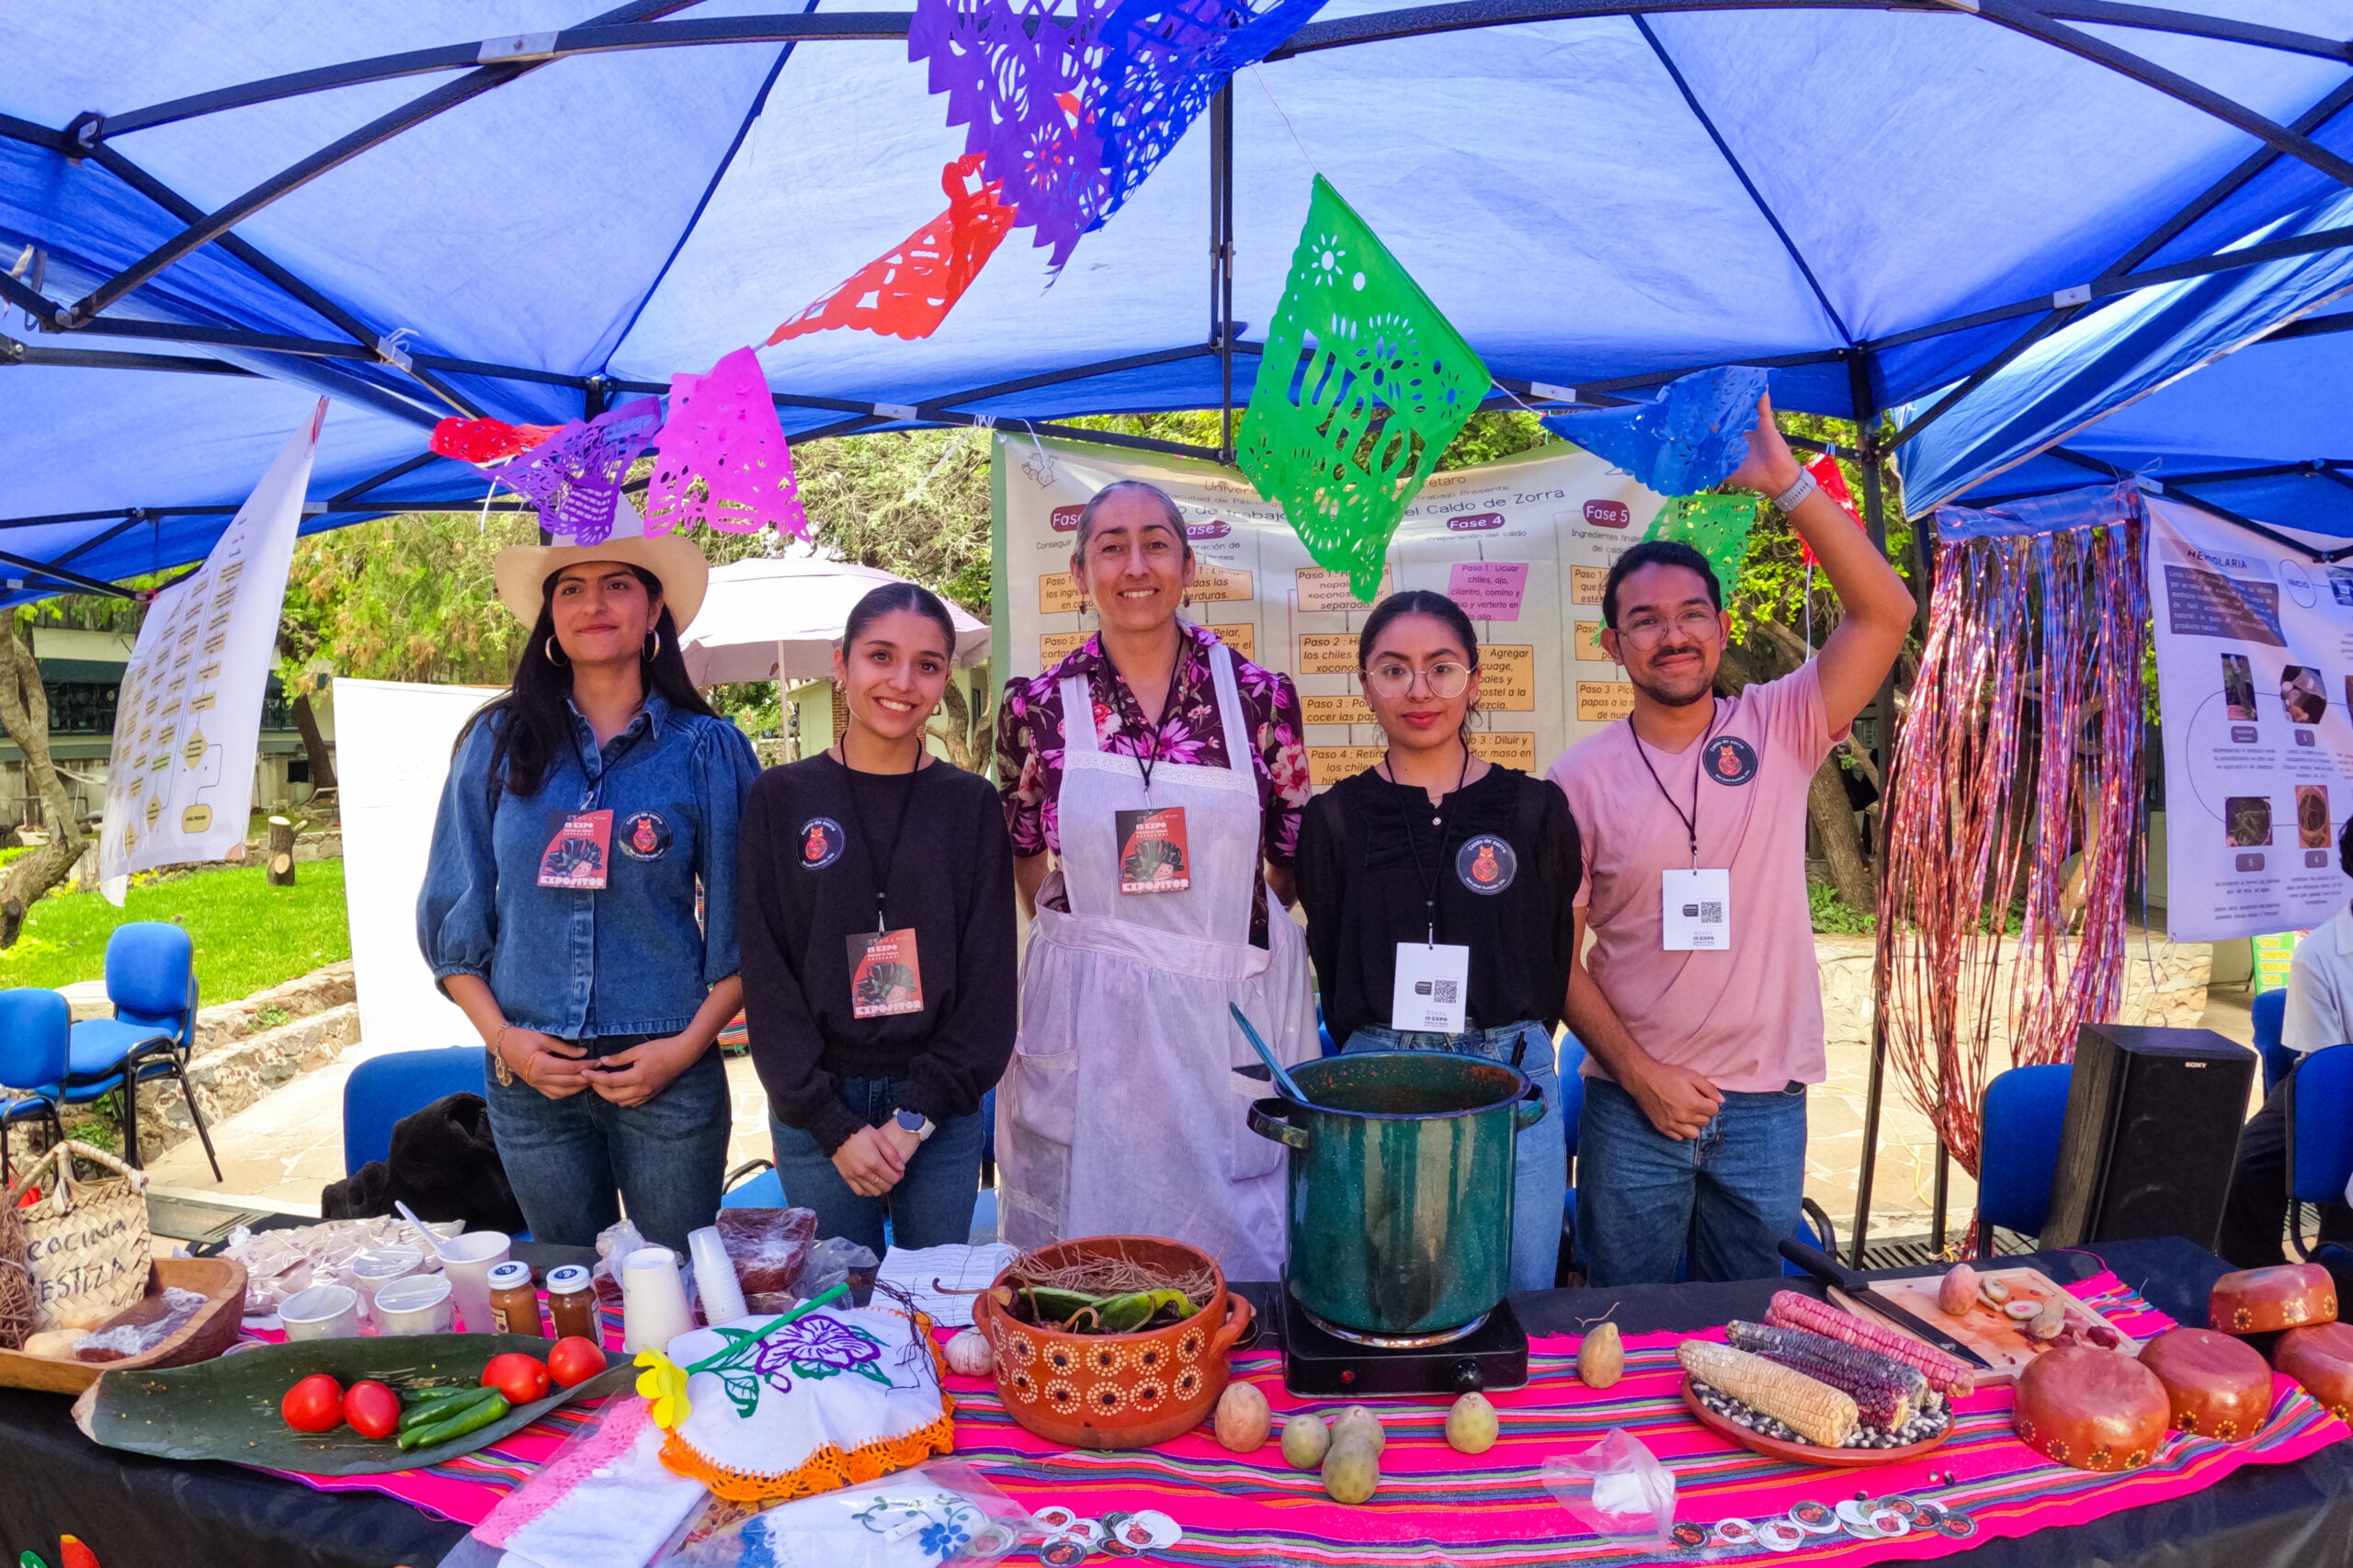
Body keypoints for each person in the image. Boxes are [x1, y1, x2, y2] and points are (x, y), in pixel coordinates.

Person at [1552, 399, 1914, 1286]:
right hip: (1631, 1106)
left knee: (1748, 1329)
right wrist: (1639, 1075)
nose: (1672, 634)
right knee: (1623, 1325)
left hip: (1764, 1107)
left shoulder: (1781, 722)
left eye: (1691, 613)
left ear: (1720, 628)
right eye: (1645, 620)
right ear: (1613, 645)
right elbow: (1554, 957)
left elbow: (1886, 612)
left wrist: (1785, 481)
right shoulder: (1576, 779)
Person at [995, 479, 1316, 1280]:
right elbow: (1022, 842)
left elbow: (1289, 850)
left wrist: (1207, 947)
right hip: (1092, 1029)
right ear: (1080, 573)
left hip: (1222, 1022)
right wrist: (1093, 943)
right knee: (1090, 1266)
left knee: (1234, 1261)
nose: (1135, 565)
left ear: (1188, 565)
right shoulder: (1038, 707)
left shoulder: (1258, 700)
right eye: (1111, 547)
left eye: (1156, 544)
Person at [418, 512, 759, 1252]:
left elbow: (752, 930)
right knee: (570, 1287)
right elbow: (453, 917)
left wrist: (683, 1051)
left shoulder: (707, 751)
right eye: (570, 588)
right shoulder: (496, 743)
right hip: (531, 1076)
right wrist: (506, 1043)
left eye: (617, 585)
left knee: (678, 1282)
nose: (593, 604)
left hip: (666, 1072)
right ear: (550, 614)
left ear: (654, 607)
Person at [1297, 590, 1582, 1291]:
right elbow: (1331, 954)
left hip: (1514, 1076)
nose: (1419, 690)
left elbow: (1552, 955)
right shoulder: (1334, 821)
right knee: (1391, 1297)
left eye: (1442, 668)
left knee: (1520, 1293)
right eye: (1394, 669)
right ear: (1366, 685)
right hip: (1380, 1079)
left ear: (1475, 681)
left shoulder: (1535, 811)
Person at [737, 583, 1017, 1256]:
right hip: (816, 1109)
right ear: (841, 663)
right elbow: (766, 973)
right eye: (881, 656)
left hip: (939, 1109)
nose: (902, 682)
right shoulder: (780, 797)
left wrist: (914, 1118)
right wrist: (831, 1125)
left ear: (945, 680)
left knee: (932, 1301)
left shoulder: (971, 805)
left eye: (927, 665)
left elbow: (988, 986)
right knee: (837, 1303)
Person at [2218, 818, 2353, 1267]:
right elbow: (2329, 1075)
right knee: (2245, 1168)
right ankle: (2261, 1283)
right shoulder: (2319, 955)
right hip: (2330, 1076)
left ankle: (2332, 1273)